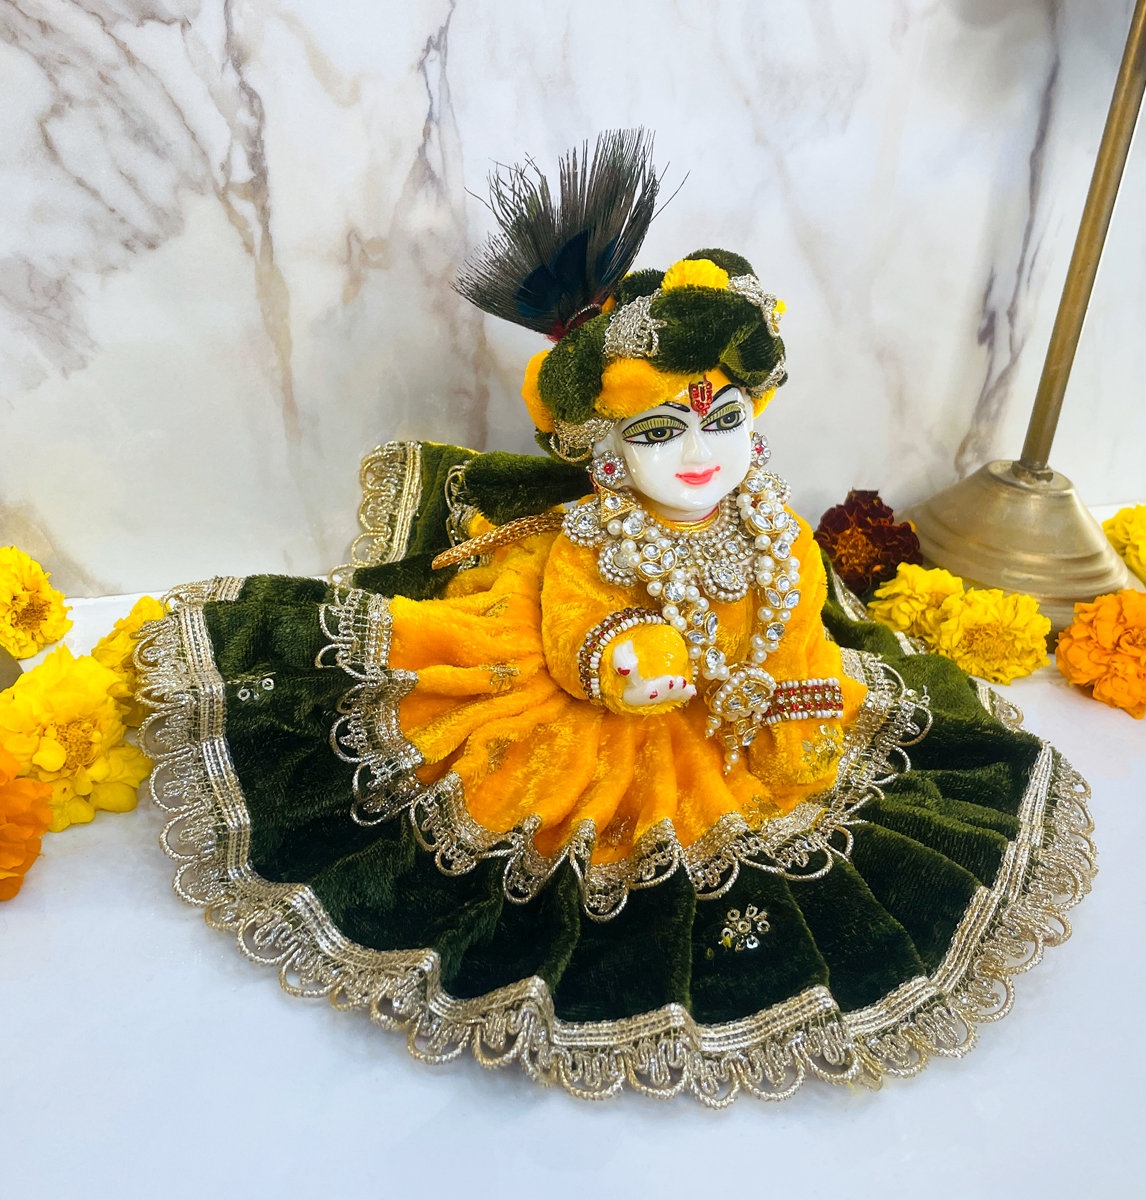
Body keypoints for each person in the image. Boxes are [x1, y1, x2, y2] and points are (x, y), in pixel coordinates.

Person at [137, 131, 1094, 1105]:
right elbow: (576, 622)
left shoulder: (778, 533)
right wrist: (625, 657)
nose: (700, 455)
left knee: (817, 789)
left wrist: (796, 711)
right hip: (611, 716)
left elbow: (801, 635)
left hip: (743, 722)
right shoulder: (600, 536)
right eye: (660, 431)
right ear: (606, 452)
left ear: (756, 421)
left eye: (724, 421)